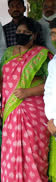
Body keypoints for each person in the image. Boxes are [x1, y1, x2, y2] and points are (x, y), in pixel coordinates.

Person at [0, 17, 52, 182]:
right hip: (10, 109)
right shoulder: (8, 53)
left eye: (26, 32)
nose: (21, 35)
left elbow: (52, 84)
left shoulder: (42, 54)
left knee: (34, 151)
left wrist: (29, 91)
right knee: (11, 150)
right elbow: (0, 81)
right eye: (19, 32)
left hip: (33, 110)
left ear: (34, 35)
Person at [43, 18, 56, 182]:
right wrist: (51, 118)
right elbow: (50, 92)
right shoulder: (53, 62)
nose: (54, 38)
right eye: (53, 34)